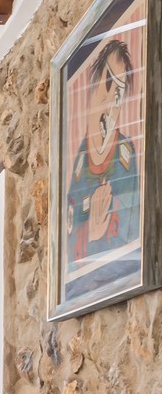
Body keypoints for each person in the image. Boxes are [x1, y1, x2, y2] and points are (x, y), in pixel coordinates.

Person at [67, 37, 141, 266]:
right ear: (92, 86)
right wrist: (90, 233)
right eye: (107, 84)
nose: (110, 102)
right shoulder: (79, 161)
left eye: (118, 95)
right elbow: (68, 241)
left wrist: (103, 230)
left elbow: (134, 233)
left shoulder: (125, 155)